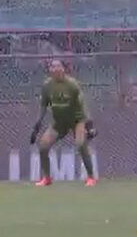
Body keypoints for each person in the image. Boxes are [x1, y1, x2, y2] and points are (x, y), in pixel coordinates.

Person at [30, 59, 97, 187]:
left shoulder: (72, 84)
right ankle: (47, 178)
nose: (55, 69)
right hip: (59, 122)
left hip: (77, 120)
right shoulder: (47, 86)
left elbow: (82, 105)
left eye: (58, 67)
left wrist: (90, 125)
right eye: (52, 67)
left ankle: (91, 177)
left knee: (80, 144)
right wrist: (36, 126)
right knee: (43, 146)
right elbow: (43, 107)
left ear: (63, 69)